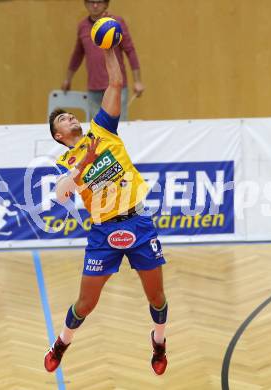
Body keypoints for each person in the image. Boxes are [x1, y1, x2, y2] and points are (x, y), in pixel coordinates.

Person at [45, 47, 168, 376]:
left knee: (157, 297)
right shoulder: (65, 162)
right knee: (86, 303)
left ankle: (158, 342)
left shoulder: (102, 129)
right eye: (64, 119)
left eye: (71, 115)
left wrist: (110, 47)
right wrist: (81, 165)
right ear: (60, 136)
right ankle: (61, 343)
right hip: (103, 233)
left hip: (138, 222)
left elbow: (115, 82)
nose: (72, 117)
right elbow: (59, 196)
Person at [61, 0, 144, 121]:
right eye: (91, 2)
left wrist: (138, 81)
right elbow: (77, 55)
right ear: (85, 4)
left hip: (116, 87)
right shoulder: (82, 26)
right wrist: (67, 79)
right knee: (97, 130)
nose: (95, 5)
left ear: (106, 4)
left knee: (117, 128)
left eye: (99, 2)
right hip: (94, 89)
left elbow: (130, 51)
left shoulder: (116, 23)